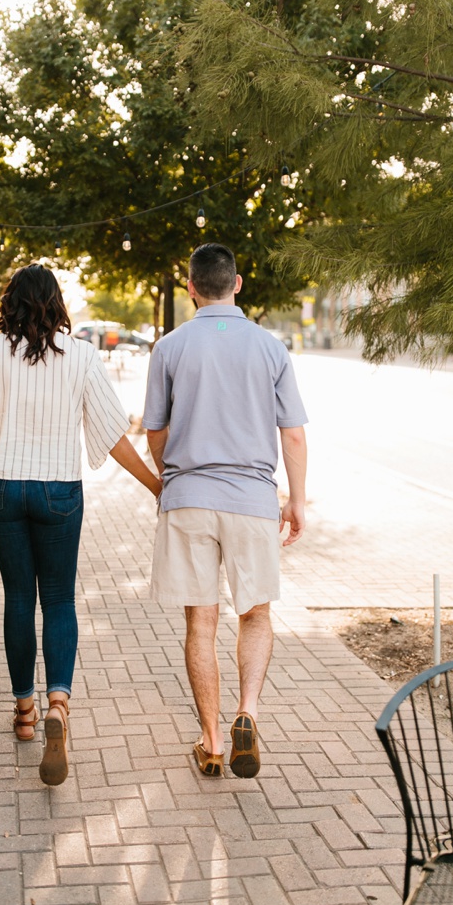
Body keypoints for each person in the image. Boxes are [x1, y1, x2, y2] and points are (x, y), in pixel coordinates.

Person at [0, 264, 162, 786]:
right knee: (59, 599)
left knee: (19, 597)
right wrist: (155, 485)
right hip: (59, 490)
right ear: (57, 304)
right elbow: (111, 432)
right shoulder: (81, 356)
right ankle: (58, 703)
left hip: (1, 488)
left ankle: (23, 712)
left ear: (9, 301)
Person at [143, 244, 308, 779]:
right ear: (237, 285)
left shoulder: (169, 348)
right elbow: (293, 435)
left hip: (189, 498)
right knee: (255, 613)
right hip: (252, 500)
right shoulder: (269, 347)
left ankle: (212, 741)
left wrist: (172, 474)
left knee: (201, 621)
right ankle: (248, 713)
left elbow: (154, 431)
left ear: (190, 287)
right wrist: (296, 499)